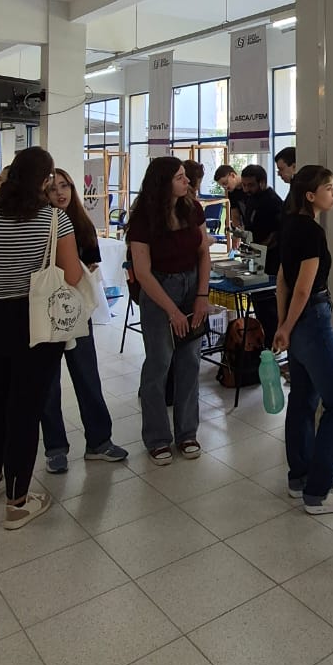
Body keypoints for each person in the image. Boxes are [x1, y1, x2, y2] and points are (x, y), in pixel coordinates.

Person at [0, 147, 83, 530]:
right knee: (25, 409)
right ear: (44, 180)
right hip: (34, 321)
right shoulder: (54, 220)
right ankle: (17, 502)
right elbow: (72, 275)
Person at [273, 164, 333, 515]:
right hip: (313, 320)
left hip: (297, 322)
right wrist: (287, 326)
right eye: (329, 188)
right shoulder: (311, 231)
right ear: (310, 195)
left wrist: (283, 325)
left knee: (303, 398)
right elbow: (303, 288)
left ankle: (299, 478)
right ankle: (319, 491)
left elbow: (282, 281)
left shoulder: (289, 225)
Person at [40, 168, 128, 473]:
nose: (60, 193)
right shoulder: (39, 223)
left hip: (77, 309)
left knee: (87, 375)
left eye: (65, 186)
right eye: (53, 188)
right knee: (48, 382)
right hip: (45, 311)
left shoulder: (81, 222)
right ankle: (55, 448)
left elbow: (92, 265)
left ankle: (99, 441)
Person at [126, 157, 211, 465]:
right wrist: (172, 310)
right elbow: (142, 272)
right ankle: (157, 437)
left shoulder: (192, 209)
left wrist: (202, 295)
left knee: (190, 360)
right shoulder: (143, 218)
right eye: (179, 177)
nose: (187, 181)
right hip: (158, 290)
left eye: (185, 176)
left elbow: (204, 253)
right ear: (163, 183)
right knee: (159, 363)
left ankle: (187, 432)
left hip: (191, 285)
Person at [239, 164, 284, 249]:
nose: (246, 189)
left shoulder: (273, 201)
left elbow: (276, 232)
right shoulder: (251, 196)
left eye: (251, 185)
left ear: (262, 183)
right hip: (253, 247)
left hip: (268, 251)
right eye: (244, 185)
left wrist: (260, 248)